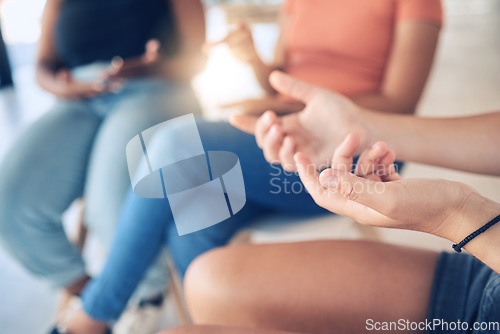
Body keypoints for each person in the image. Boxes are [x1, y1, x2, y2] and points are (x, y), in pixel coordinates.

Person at [60, 0, 443, 333]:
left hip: (356, 156)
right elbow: (282, 86)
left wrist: (298, 111)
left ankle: (96, 313)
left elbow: (400, 103)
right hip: (291, 138)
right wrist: (254, 60)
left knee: (176, 143)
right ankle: (216, 325)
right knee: (191, 217)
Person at [177, 73, 500, 334]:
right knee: (208, 279)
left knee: (181, 148)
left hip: (488, 243)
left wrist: (457, 214)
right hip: (488, 272)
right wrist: (362, 128)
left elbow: (400, 94)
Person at [0, 0, 205, 332]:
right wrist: (61, 86)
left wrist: (149, 67)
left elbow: (197, 60)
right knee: (9, 201)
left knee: (112, 202)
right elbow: (43, 67)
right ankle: (103, 297)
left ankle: (143, 297)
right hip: (78, 98)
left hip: (155, 88)